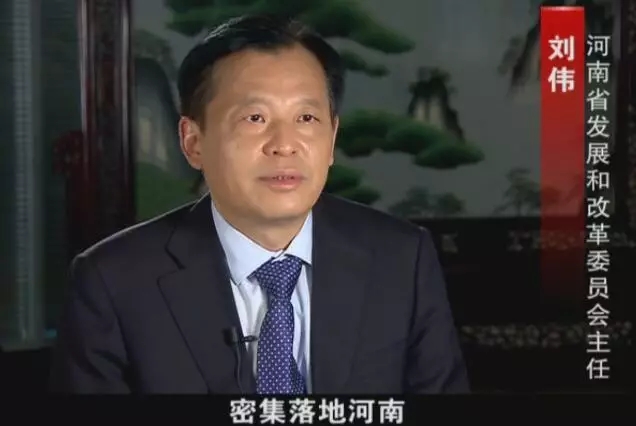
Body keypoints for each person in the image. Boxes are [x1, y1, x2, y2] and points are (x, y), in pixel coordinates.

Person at [49, 14, 469, 394]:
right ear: (193, 142)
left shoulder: (401, 259)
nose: (285, 145)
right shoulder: (112, 282)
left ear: (331, 140)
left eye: (306, 118)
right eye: (255, 118)